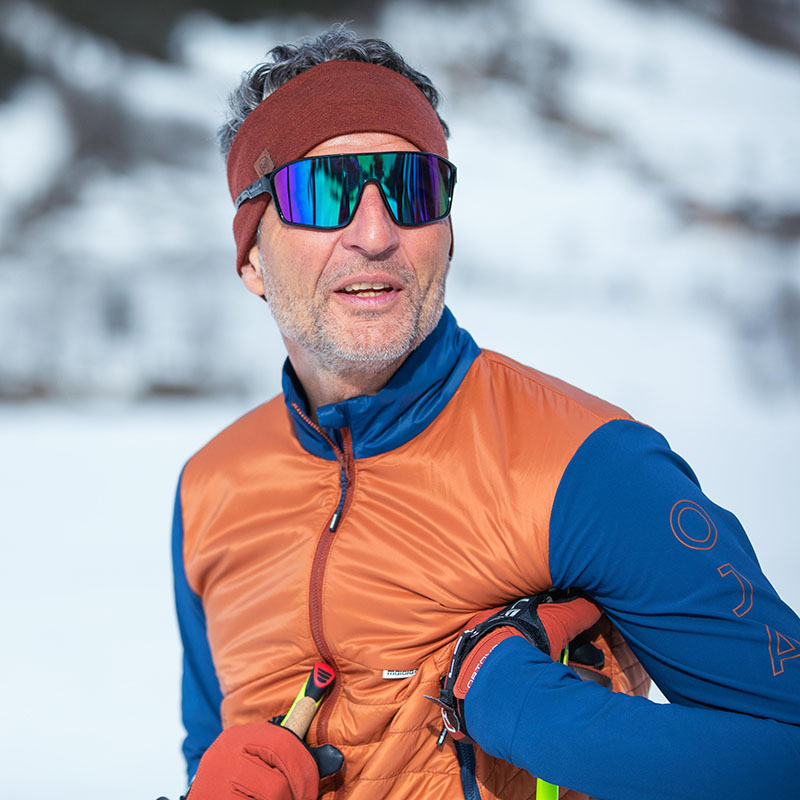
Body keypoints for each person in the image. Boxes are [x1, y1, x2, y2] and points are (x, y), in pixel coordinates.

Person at [169, 26, 800, 800]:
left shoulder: (588, 466)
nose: (376, 233)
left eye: (413, 187)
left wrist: (535, 714)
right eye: (324, 191)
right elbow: (210, 749)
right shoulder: (211, 490)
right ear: (250, 260)